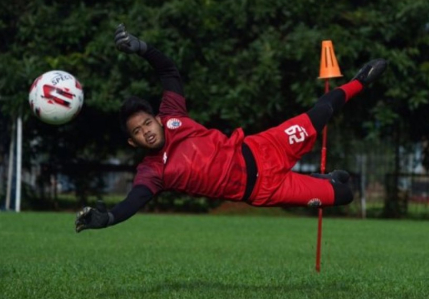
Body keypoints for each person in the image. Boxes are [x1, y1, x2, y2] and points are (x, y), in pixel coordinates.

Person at [75, 24, 387, 233]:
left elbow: (168, 70)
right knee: (344, 193)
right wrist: (110, 218)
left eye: (147, 122)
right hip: (265, 190)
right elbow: (133, 202)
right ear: (134, 143)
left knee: (320, 112)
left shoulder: (173, 114)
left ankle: (360, 80)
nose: (147, 131)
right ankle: (327, 180)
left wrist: (141, 47)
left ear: (156, 117)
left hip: (265, 146)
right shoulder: (152, 173)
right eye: (138, 132)